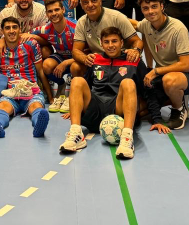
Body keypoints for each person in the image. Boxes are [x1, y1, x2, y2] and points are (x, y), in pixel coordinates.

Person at [59, 27, 144, 159]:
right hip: (95, 108)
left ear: (121, 43)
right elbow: (84, 87)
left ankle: (127, 138)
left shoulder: (133, 60)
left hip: (117, 109)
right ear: (101, 44)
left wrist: (155, 118)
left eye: (114, 41)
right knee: (77, 81)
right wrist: (76, 108)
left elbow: (147, 91)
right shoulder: (95, 59)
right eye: (106, 42)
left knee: (128, 83)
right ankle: (76, 133)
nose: (110, 45)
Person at [133, 0, 189, 130]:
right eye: (145, 8)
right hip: (163, 75)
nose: (150, 11)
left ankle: (179, 108)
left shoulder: (177, 28)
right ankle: (172, 97)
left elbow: (186, 65)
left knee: (169, 81)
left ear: (162, 7)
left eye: (154, 6)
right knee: (140, 109)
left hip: (188, 74)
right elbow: (128, 22)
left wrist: (155, 71)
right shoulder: (146, 24)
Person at [0, 16, 53, 138]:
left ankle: (39, 127)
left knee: (36, 107)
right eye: (7, 28)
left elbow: (40, 71)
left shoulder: (31, 44)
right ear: (2, 31)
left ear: (20, 29)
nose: (11, 31)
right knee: (2, 107)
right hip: (8, 92)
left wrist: (50, 97)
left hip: (30, 90)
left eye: (14, 27)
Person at [71, 0, 143, 77]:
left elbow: (137, 41)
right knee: (75, 67)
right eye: (85, 2)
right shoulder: (81, 22)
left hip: (121, 59)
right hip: (98, 62)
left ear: (100, 1)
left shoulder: (117, 17)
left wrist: (136, 50)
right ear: (81, 5)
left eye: (94, 0)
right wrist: (85, 58)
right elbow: (76, 50)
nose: (90, 5)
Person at [30, 0, 77, 113]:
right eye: (50, 11)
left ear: (63, 10)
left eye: (56, 10)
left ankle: (73, 94)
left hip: (77, 60)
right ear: (46, 14)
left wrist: (66, 63)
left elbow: (87, 54)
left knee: (76, 67)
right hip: (61, 57)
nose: (54, 13)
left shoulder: (76, 27)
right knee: (47, 65)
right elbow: (27, 34)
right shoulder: (46, 29)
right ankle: (61, 84)